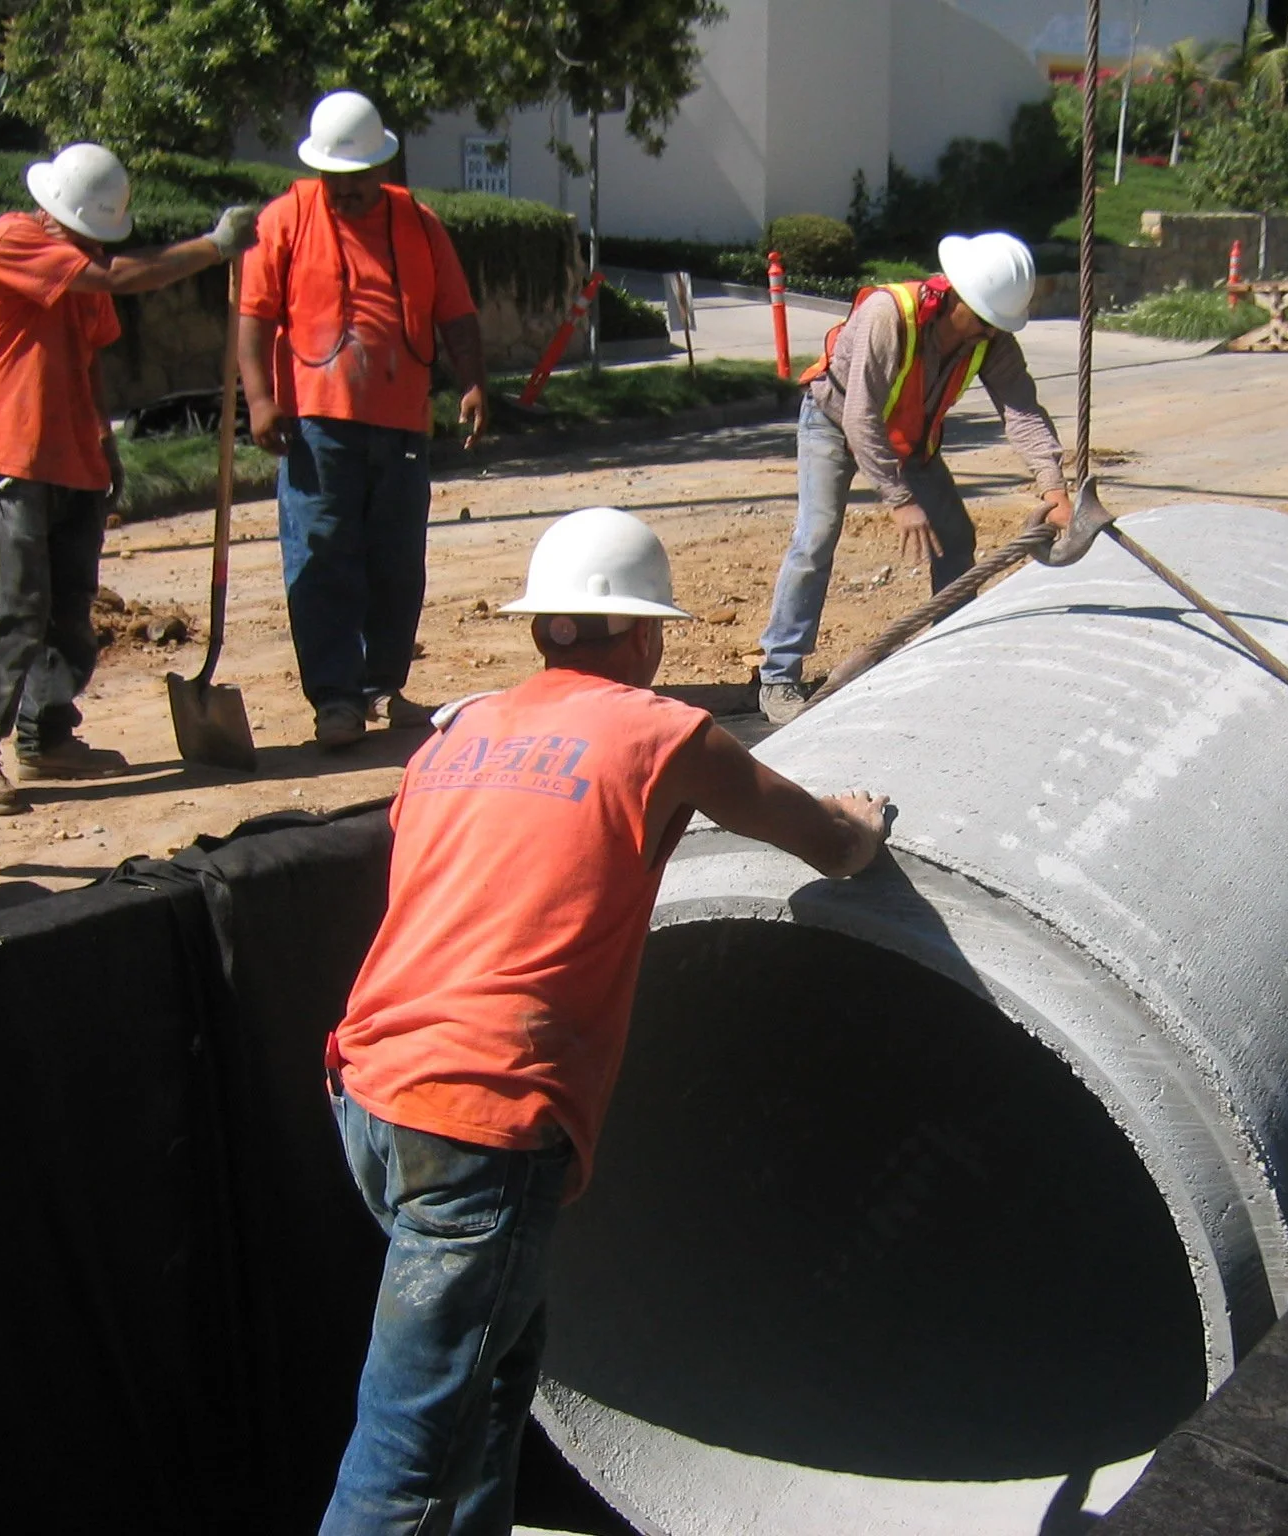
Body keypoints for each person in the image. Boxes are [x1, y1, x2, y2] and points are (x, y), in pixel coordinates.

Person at [320, 506, 890, 1532]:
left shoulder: (456, 733)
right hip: (477, 1124)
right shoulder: (665, 735)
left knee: (493, 1385)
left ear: (545, 626)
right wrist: (860, 820)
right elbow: (825, 844)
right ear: (640, 633)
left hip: (368, 1094)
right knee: (407, 1463)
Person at [0, 143, 259, 814]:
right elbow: (117, 278)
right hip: (13, 460)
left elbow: (89, 357)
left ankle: (46, 735)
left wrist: (103, 440)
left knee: (69, 613)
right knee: (15, 606)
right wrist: (212, 246)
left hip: (73, 460)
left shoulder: (78, 267)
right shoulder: (11, 242)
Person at [239, 90, 491, 750]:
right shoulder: (286, 218)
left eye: (356, 182)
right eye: (334, 181)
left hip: (402, 422)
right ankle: (336, 697)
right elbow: (255, 317)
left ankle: (382, 684)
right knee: (323, 556)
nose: (344, 193)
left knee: (396, 560)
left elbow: (456, 312)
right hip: (318, 424)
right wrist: (261, 401)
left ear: (380, 169)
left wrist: (471, 382)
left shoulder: (418, 222)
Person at [755, 231, 1075, 725]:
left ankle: (954, 654)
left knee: (955, 536)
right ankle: (778, 674)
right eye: (984, 320)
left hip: (910, 439)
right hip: (835, 423)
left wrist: (1054, 487)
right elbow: (861, 416)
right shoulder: (890, 315)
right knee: (815, 538)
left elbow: (1022, 410)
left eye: (997, 324)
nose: (988, 333)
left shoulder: (991, 339)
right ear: (956, 295)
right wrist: (899, 499)